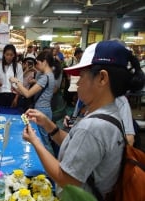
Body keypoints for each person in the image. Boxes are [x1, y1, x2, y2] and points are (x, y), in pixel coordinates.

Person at [21, 40, 144, 199]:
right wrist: (48, 125)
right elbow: (78, 145)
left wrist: (35, 141)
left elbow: (65, 179)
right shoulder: (111, 113)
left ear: (102, 78)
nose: (77, 83)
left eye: (82, 76)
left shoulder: (93, 127)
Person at [10, 49, 56, 156]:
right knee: (43, 139)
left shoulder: (46, 77)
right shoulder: (51, 75)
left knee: (43, 141)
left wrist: (17, 81)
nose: (37, 66)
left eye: (38, 63)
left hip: (42, 110)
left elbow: (28, 94)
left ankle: (51, 168)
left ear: (44, 62)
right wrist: (19, 90)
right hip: (45, 109)